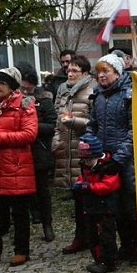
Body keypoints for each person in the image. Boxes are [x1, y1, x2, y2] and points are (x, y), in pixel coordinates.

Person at [0, 67, 38, 269]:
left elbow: (30, 134)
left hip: (18, 168)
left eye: (2, 83)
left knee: (19, 213)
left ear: (12, 86)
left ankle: (21, 251)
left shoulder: (25, 105)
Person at [85, 54, 137, 265]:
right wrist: (90, 146)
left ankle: (134, 249)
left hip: (124, 159)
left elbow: (134, 130)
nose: (101, 75)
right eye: (98, 72)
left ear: (117, 73)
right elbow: (93, 124)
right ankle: (123, 247)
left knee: (129, 205)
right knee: (111, 206)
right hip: (104, 158)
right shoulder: (98, 96)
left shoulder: (128, 95)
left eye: (105, 71)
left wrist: (119, 157)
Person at [52, 55, 95, 255]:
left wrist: (76, 122)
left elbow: (95, 122)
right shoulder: (63, 92)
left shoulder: (91, 90)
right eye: (68, 70)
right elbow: (57, 119)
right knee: (76, 195)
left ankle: (92, 236)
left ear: (85, 74)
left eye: (74, 71)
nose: (69, 73)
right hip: (66, 148)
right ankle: (81, 235)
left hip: (84, 147)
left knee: (88, 196)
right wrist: (56, 139)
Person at [16, 61, 58, 242]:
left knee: (42, 191)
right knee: (20, 195)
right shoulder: (11, 100)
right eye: (22, 88)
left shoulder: (44, 99)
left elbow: (51, 125)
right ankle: (21, 229)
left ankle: (47, 224)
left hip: (39, 151)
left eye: (28, 88)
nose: (25, 92)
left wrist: (31, 128)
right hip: (18, 153)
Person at [71, 134, 122, 273]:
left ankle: (109, 262)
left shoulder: (109, 166)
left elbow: (109, 186)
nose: (86, 162)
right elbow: (83, 178)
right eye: (83, 159)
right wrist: (79, 184)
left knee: (106, 237)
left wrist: (89, 187)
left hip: (105, 209)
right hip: (90, 207)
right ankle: (99, 260)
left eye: (88, 159)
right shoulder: (85, 165)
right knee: (92, 236)